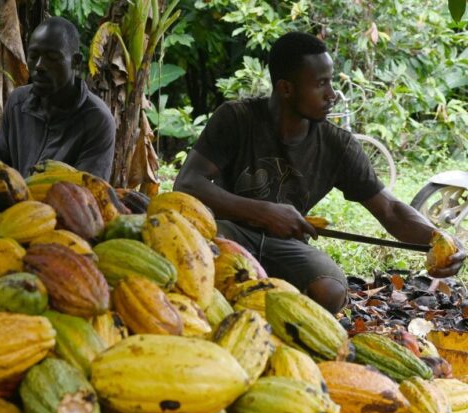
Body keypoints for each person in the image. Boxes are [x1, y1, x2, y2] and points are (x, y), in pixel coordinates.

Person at [174, 31, 465, 314]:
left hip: (286, 246)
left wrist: (436, 238)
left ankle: (276, 325)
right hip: (228, 229)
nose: (332, 95)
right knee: (193, 260)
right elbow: (188, 183)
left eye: (332, 82)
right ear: (286, 88)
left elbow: (390, 210)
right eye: (321, 84)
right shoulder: (237, 119)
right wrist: (264, 212)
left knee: (331, 290)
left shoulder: (337, 144)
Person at [0, 17, 115, 180]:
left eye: (52, 58)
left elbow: (86, 195)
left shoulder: (97, 120)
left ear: (76, 62)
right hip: (12, 202)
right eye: (34, 55)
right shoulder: (17, 104)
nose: (39, 66)